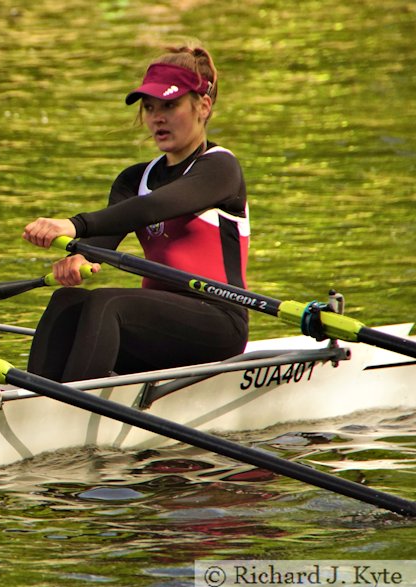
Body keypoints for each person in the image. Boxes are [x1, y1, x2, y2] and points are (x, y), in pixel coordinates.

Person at [21, 46, 249, 382]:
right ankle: (37, 402)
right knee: (67, 301)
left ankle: (72, 409)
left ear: (203, 106)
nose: (157, 117)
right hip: (155, 325)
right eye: (150, 107)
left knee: (107, 304)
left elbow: (152, 207)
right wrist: (77, 259)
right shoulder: (133, 179)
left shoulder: (220, 168)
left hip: (218, 320)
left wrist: (73, 225)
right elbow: (101, 243)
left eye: (170, 105)